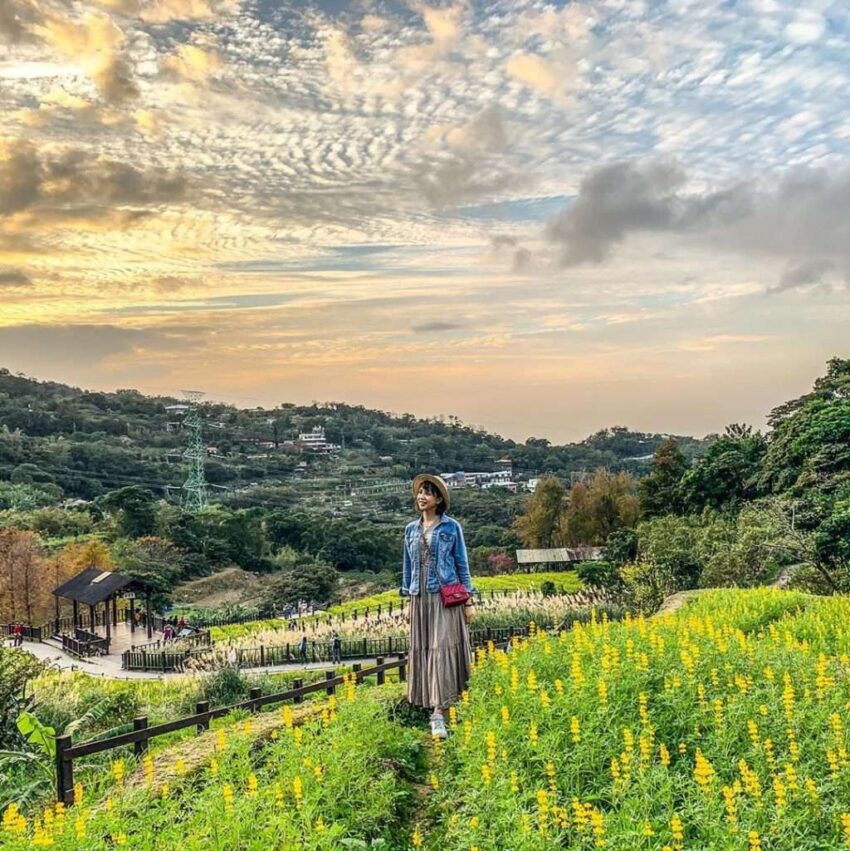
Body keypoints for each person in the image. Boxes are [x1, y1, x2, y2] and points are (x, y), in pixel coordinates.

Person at [401, 474, 476, 739]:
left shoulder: (451, 527)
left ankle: (439, 713)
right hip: (420, 598)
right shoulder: (411, 530)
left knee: (442, 649)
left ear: (439, 499)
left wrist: (468, 601)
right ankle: (435, 707)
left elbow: (462, 566)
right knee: (426, 651)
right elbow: (408, 568)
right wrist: (408, 603)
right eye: (420, 492)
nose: (422, 497)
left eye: (428, 493)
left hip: (445, 598)